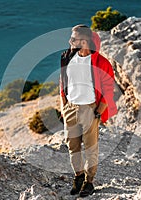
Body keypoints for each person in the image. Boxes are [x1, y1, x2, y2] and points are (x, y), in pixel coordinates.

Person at [60, 24, 117, 197]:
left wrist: (99, 110)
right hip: (70, 108)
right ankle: (78, 177)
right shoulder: (67, 58)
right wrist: (63, 107)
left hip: (90, 109)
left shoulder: (101, 62)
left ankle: (89, 182)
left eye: (73, 39)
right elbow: (62, 83)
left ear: (84, 41)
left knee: (90, 148)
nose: (70, 41)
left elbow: (109, 88)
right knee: (73, 147)